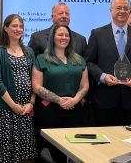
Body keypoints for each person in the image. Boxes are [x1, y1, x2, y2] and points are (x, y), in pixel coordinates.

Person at [85, 0, 131, 126]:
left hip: (130, 100)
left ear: (129, 11)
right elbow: (88, 62)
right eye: (118, 8)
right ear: (111, 11)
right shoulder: (97, 34)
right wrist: (103, 77)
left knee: (127, 142)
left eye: (125, 8)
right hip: (104, 99)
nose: (122, 11)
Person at [31, 24, 89, 162]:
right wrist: (59, 100)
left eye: (66, 35)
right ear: (53, 37)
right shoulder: (41, 58)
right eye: (60, 35)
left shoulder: (79, 59)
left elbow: (85, 84)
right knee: (49, 150)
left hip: (75, 110)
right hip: (48, 110)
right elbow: (36, 87)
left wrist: (74, 100)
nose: (64, 38)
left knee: (73, 149)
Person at [0, 14, 38, 162]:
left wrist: (31, 103)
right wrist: (13, 105)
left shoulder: (29, 51)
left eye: (21, 26)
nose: (18, 29)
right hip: (6, 109)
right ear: (5, 28)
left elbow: (35, 80)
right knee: (4, 155)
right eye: (14, 26)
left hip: (25, 110)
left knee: (24, 156)